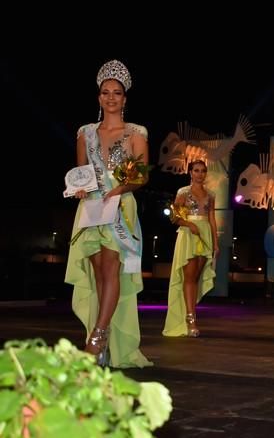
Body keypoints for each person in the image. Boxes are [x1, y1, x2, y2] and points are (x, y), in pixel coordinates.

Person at [65, 59, 152, 368]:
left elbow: (141, 176)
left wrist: (120, 190)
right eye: (105, 92)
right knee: (99, 273)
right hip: (91, 208)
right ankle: (102, 342)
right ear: (99, 97)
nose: (111, 97)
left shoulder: (136, 132)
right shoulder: (85, 132)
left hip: (119, 206)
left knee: (112, 268)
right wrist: (81, 188)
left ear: (125, 97)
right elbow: (82, 173)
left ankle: (96, 338)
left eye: (117, 92)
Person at [163, 159, 218, 337]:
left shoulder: (210, 194)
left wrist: (215, 243)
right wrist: (188, 224)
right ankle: (190, 319)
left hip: (204, 235)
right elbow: (174, 216)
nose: (200, 174)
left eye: (203, 171)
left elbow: (212, 219)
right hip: (189, 234)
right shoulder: (183, 192)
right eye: (196, 170)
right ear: (190, 172)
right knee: (188, 277)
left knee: (196, 277)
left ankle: (191, 315)